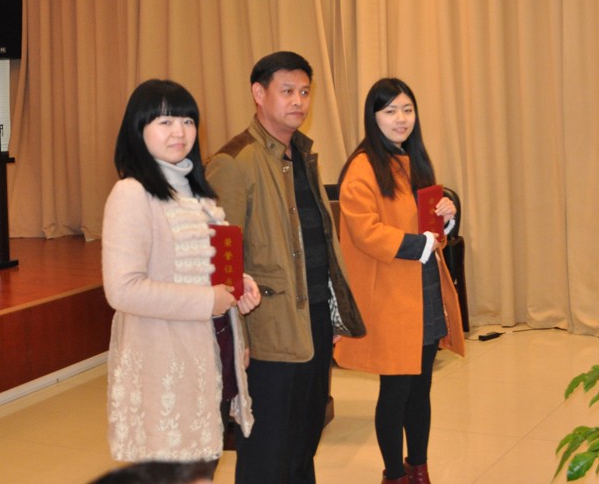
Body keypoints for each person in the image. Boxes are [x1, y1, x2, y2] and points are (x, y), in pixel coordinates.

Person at [206, 51, 366, 484]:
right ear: (259, 94)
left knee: (303, 444)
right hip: (266, 331)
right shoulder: (234, 162)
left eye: (305, 92)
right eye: (288, 91)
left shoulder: (302, 154)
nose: (298, 101)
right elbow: (221, 261)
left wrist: (331, 311)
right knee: (266, 452)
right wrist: (237, 337)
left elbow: (318, 242)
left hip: (312, 319)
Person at [102, 79, 261, 465]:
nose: (179, 131)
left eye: (187, 121)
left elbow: (205, 269)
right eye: (165, 121)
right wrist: (208, 300)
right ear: (138, 129)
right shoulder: (132, 193)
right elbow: (122, 289)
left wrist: (238, 284)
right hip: (166, 363)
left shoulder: (196, 192)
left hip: (210, 355)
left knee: (205, 464)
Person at [333, 78, 466, 484]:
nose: (401, 119)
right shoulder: (362, 167)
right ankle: (393, 475)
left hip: (422, 288)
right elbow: (365, 231)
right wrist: (418, 244)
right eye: (390, 111)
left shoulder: (414, 159)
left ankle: (419, 468)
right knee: (395, 390)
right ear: (373, 117)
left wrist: (446, 217)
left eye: (407, 109)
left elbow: (428, 227)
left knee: (421, 387)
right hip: (391, 295)